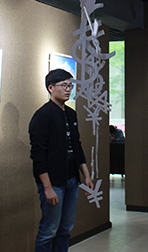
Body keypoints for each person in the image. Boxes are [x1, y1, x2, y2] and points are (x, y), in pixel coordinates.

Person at [29, 69, 94, 252]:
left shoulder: (71, 114)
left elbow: (77, 146)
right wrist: (47, 187)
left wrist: (86, 175)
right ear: (51, 88)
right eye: (64, 85)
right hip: (53, 182)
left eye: (70, 85)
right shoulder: (42, 115)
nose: (68, 89)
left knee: (65, 229)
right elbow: (38, 155)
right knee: (49, 230)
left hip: (72, 179)